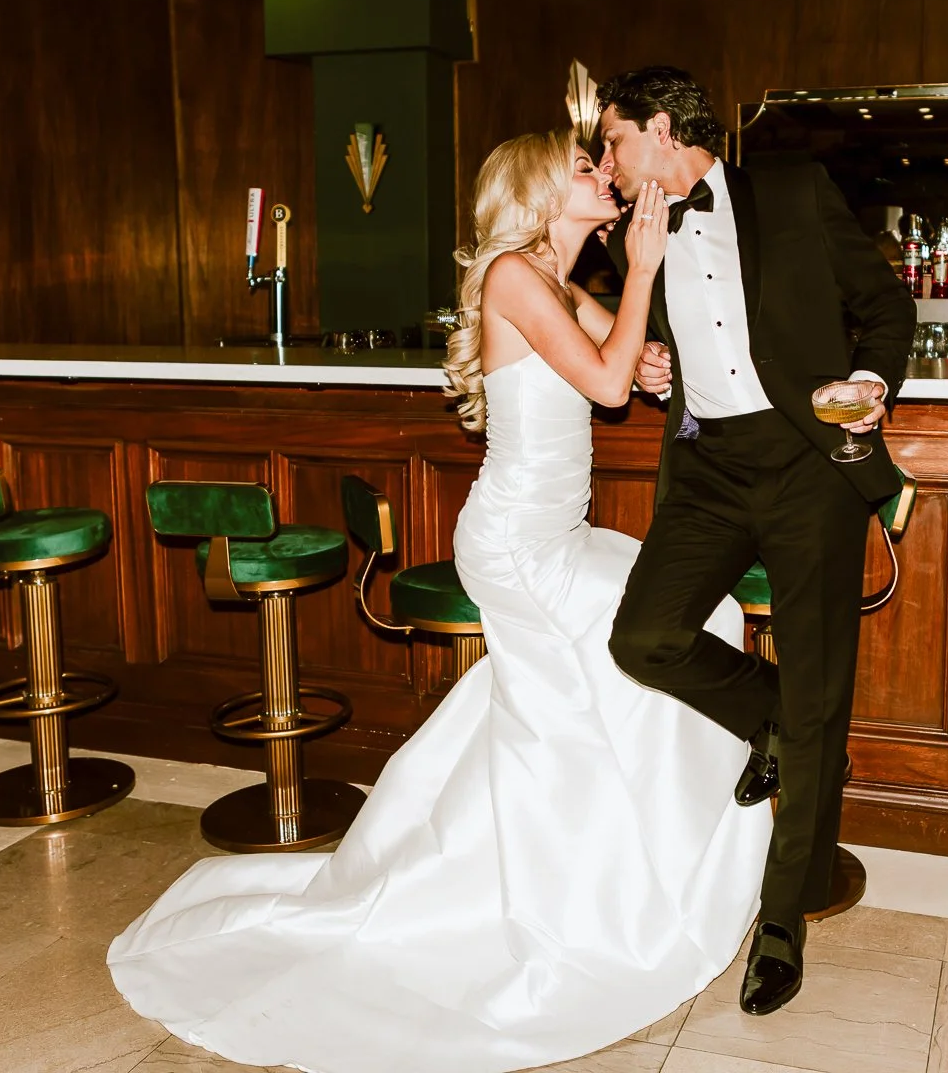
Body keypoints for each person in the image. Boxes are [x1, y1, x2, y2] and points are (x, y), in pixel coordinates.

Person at [108, 130, 772, 1073]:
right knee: (609, 683)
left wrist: (652, 353)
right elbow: (603, 382)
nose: (604, 176)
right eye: (584, 168)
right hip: (520, 547)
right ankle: (574, 898)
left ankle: (640, 860)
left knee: (685, 627)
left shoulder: (554, 280)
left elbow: (621, 362)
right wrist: (642, 274)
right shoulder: (512, 275)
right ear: (541, 192)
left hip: (560, 536)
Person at [597, 66, 914, 1016]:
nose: (607, 161)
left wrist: (869, 383)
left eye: (613, 139)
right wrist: (653, 362)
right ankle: (780, 720)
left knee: (821, 682)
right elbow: (652, 344)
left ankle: (783, 918)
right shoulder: (626, 236)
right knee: (643, 637)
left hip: (810, 463)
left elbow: (886, 306)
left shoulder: (792, 191)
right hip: (709, 472)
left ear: (661, 129)